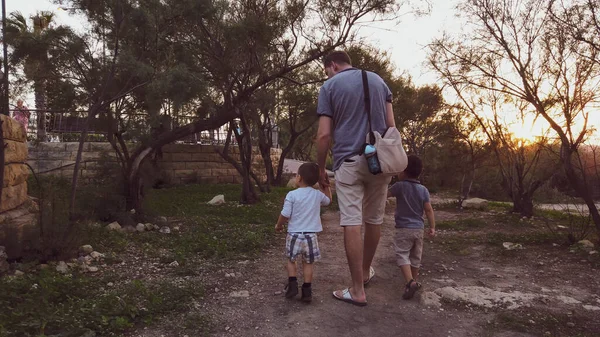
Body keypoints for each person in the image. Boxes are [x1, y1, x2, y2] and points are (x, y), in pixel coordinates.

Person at [316, 50, 396, 306]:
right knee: (374, 220)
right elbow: (391, 125)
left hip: (348, 161)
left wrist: (320, 168)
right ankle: (365, 270)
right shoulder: (379, 81)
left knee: (351, 221)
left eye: (326, 70)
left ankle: (358, 289)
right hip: (380, 161)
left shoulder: (329, 86)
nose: (327, 74)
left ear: (332, 65)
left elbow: (324, 136)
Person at [275, 162, 332, 303]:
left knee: (291, 260)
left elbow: (285, 214)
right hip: (310, 236)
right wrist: (326, 186)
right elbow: (328, 201)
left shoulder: (292, 194)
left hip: (294, 234)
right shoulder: (317, 195)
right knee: (308, 263)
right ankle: (307, 291)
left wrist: (278, 225)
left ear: (299, 178)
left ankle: (293, 284)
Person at [387, 155, 436, 300]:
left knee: (402, 254)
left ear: (403, 171)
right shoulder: (423, 190)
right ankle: (413, 282)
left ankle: (410, 282)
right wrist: (432, 227)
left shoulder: (399, 186)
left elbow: (384, 194)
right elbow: (428, 210)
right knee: (415, 257)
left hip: (403, 228)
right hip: (419, 229)